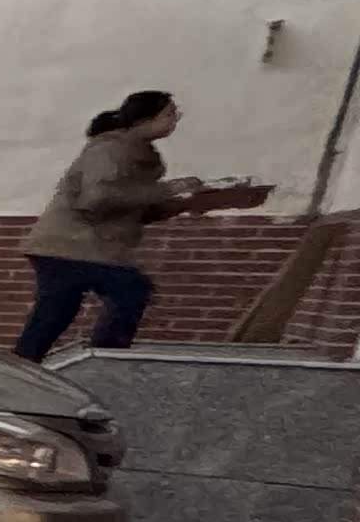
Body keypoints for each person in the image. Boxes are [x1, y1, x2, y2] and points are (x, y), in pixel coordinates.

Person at [13, 90, 269, 360]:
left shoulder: (142, 156)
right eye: (168, 114)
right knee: (128, 289)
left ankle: (28, 362)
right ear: (143, 119)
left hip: (83, 246)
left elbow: (135, 210)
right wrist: (169, 188)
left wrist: (189, 204)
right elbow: (97, 199)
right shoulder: (109, 150)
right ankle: (107, 357)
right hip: (71, 243)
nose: (174, 121)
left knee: (56, 312)